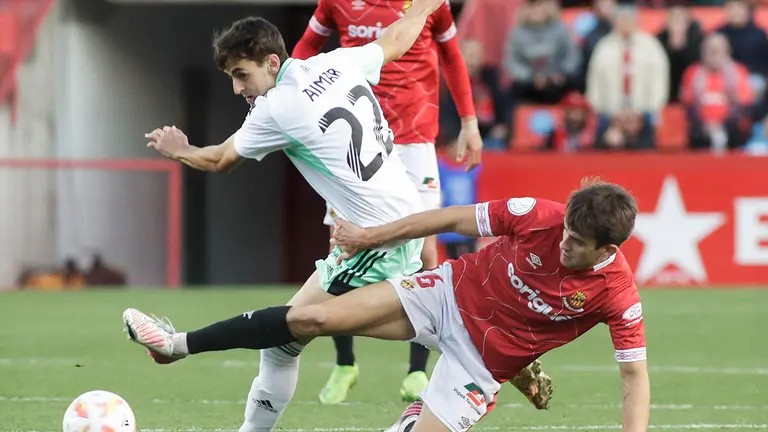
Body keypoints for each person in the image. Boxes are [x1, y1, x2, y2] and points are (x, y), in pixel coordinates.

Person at [136, 2, 457, 431]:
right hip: (401, 221)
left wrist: (181, 150)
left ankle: (177, 346)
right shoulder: (339, 62)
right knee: (287, 343)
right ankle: (478, 340)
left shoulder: (278, 106)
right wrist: (425, 5)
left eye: (241, 75)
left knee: (289, 330)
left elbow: (220, 161)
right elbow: (398, 38)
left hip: (375, 238)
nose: (237, 89)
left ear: (272, 62)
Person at [124, 179, 647, 432]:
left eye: (577, 243)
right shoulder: (539, 215)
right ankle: (175, 345)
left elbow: (634, 381)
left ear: (608, 249)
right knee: (311, 317)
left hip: (480, 364)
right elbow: (444, 219)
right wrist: (370, 238)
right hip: (443, 295)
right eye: (565, 232)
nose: (563, 243)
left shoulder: (618, 295)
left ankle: (419, 412)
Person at [292, 0, 484, 403]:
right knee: (341, 250)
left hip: (415, 138)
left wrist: (469, 122)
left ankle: (417, 371)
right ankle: (345, 365)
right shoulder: (335, 4)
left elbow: (451, 54)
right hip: (355, 140)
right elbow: (302, 53)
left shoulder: (431, 4)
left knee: (427, 250)